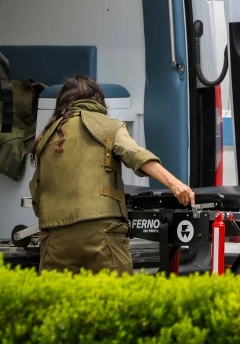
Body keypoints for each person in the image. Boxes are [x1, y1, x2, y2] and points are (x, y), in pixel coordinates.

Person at [29, 75, 195, 274]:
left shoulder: (46, 136)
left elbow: (37, 193)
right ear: (98, 99)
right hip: (101, 233)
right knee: (114, 301)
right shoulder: (108, 126)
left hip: (55, 236)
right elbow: (137, 156)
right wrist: (175, 184)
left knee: (59, 303)